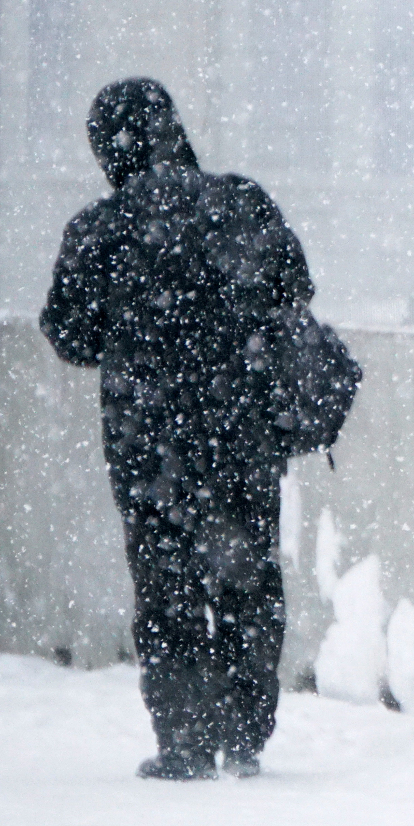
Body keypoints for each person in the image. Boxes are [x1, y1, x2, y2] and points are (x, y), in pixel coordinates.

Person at [41, 78, 314, 780]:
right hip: (244, 434)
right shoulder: (242, 202)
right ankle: (245, 734)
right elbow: (294, 290)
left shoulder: (99, 229)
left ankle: (184, 741)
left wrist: (138, 331)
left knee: (167, 588)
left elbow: (68, 335)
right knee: (248, 578)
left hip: (148, 445)